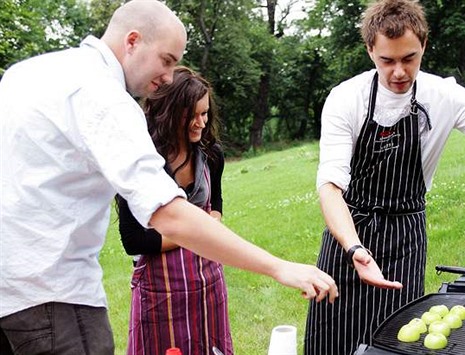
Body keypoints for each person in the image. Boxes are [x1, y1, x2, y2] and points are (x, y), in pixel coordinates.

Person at [0, 1, 338, 354]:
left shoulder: (26, 74)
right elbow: (168, 214)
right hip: (52, 295)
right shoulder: (103, 96)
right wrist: (278, 267)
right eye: (167, 59)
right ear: (132, 41)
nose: (168, 76)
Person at [304, 0, 465, 354]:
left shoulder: (443, 95)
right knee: (332, 341)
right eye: (387, 61)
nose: (398, 72)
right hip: (349, 233)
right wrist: (355, 248)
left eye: (408, 58)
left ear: (423, 44)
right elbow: (331, 187)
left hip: (404, 237)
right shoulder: (346, 99)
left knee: (398, 343)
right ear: (369, 51)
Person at [116, 66, 233, 354]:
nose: (200, 123)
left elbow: (214, 204)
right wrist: (198, 232)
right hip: (160, 290)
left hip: (208, 280)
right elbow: (134, 239)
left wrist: (211, 222)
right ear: (168, 113)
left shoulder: (211, 154)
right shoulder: (140, 162)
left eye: (204, 113)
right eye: (191, 115)